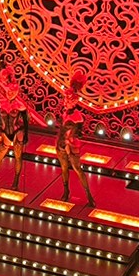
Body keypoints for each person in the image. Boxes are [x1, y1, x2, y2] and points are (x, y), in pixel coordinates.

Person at [0, 68, 30, 190]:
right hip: (5, 132)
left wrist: (26, 135)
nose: (10, 93)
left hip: (17, 132)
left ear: (16, 92)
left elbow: (25, 122)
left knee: (17, 157)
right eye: (8, 91)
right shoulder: (1, 103)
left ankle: (16, 181)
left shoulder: (20, 106)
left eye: (12, 91)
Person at [54, 69, 94, 207]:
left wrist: (71, 137)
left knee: (78, 169)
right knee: (64, 168)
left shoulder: (77, 116)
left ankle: (89, 195)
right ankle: (66, 192)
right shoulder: (66, 114)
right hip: (61, 144)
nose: (67, 102)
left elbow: (79, 132)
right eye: (66, 99)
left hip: (71, 144)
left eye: (69, 100)